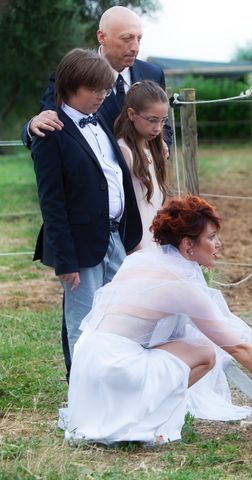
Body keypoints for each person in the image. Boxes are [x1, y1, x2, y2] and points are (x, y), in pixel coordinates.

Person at [62, 196, 252, 446]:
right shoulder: (181, 284)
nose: (219, 244)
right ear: (188, 245)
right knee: (205, 353)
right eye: (211, 237)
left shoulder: (141, 260)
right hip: (115, 367)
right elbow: (238, 349)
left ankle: (127, 408)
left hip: (87, 360)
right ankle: (145, 417)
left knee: (189, 344)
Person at [31, 48, 142, 380]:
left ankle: (116, 392)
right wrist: (65, 260)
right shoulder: (52, 134)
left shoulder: (100, 122)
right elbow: (52, 203)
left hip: (115, 237)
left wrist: (130, 234)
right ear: (69, 87)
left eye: (105, 89)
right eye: (94, 89)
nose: (102, 96)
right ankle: (85, 404)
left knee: (120, 318)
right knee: (84, 326)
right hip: (81, 248)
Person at [21, 6, 171, 148]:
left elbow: (165, 127)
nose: (135, 48)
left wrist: (162, 149)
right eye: (127, 39)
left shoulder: (153, 74)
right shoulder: (73, 73)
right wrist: (30, 127)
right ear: (101, 37)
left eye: (139, 39)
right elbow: (45, 122)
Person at [114, 80, 171, 250]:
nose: (158, 128)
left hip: (156, 236)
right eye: (152, 120)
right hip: (137, 242)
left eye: (163, 121)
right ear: (132, 114)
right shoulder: (124, 151)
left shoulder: (157, 148)